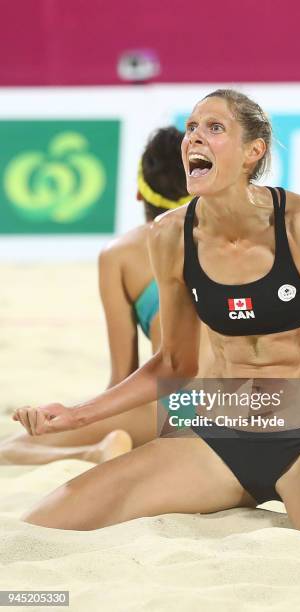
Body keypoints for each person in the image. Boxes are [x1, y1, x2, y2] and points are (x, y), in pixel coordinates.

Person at [13, 89, 300, 536]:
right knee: (47, 521)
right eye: (191, 127)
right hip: (219, 436)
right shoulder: (170, 235)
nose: (195, 137)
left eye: (214, 128)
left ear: (254, 151)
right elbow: (174, 364)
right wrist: (78, 415)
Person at [1, 127, 197, 465]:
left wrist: (87, 416)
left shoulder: (119, 255)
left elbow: (123, 377)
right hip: (254, 404)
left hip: (180, 407)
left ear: (139, 192)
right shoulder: (229, 241)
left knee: (11, 449)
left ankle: (92, 452)